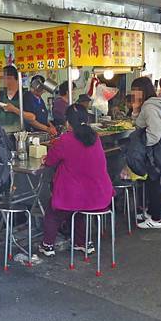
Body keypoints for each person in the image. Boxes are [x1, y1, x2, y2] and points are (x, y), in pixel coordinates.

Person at [38, 105, 113, 257]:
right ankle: (83, 242)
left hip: (74, 196)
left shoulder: (65, 139)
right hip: (99, 195)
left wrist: (44, 158)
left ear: (68, 123)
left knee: (54, 212)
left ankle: (47, 245)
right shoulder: (95, 137)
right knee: (78, 210)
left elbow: (50, 161)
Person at [131, 77, 161, 229]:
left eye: (135, 90)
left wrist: (142, 146)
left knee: (154, 183)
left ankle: (156, 218)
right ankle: (150, 212)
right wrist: (135, 109)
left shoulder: (149, 107)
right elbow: (140, 123)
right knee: (151, 182)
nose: (133, 93)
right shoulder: (148, 106)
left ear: (143, 91)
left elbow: (154, 134)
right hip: (154, 150)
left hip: (156, 150)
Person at [0, 65, 36, 133]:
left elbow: (32, 117)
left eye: (8, 78)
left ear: (17, 79)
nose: (5, 81)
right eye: (2, 78)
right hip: (3, 134)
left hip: (19, 135)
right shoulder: (2, 94)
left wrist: (14, 109)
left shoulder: (25, 95)